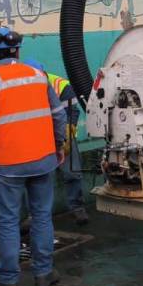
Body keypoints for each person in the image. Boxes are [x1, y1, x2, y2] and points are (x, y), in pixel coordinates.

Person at [0, 27, 67, 286]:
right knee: (41, 216)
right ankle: (44, 273)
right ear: (17, 51)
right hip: (43, 160)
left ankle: (7, 280)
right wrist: (58, 146)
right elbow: (58, 115)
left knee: (9, 221)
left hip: (10, 165)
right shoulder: (38, 76)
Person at [23, 58, 88, 226]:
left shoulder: (61, 85)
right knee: (36, 177)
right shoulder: (23, 87)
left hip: (63, 132)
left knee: (72, 172)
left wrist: (64, 137)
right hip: (37, 136)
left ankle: (77, 207)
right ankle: (34, 215)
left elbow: (72, 113)